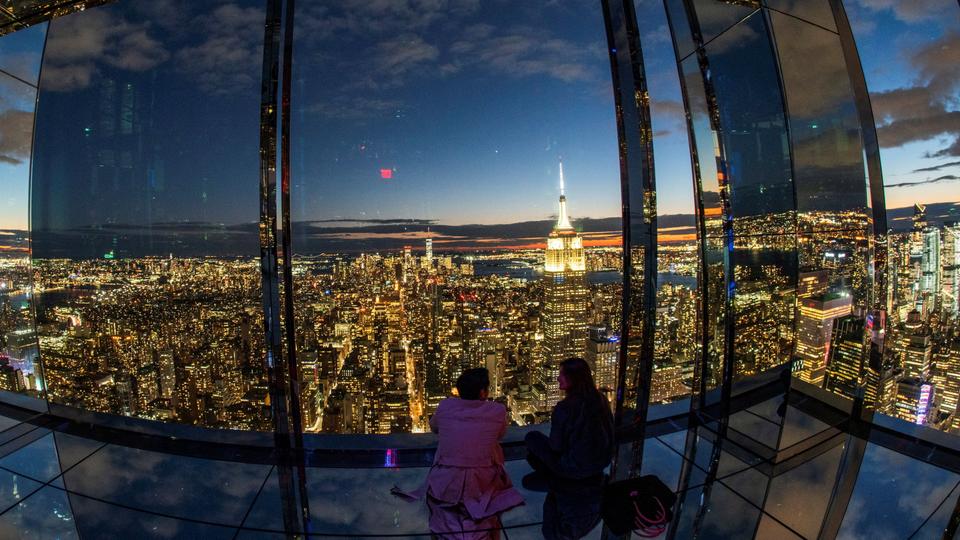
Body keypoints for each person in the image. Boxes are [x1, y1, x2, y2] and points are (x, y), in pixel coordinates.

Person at [393, 368, 523, 539]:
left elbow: (434, 427)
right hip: (482, 483)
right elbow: (499, 434)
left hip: (445, 483)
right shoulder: (497, 411)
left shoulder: (446, 405)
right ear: (483, 392)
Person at [524, 357, 616, 540]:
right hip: (600, 466)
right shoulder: (601, 399)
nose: (558, 379)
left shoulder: (565, 408)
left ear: (574, 379)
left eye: (561, 375)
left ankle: (557, 478)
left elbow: (556, 447)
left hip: (573, 471)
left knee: (532, 439)